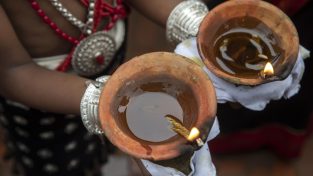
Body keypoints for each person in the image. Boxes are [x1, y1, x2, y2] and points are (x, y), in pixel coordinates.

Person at [0, 0, 212, 175]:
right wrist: (113, 102)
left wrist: (201, 28)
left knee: (105, 144)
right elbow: (14, 72)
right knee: (63, 164)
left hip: (113, 71)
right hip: (43, 110)